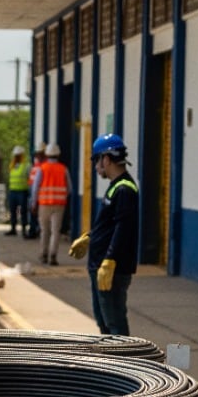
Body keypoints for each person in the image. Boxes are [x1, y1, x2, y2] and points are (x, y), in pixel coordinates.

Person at [68, 134, 139, 336]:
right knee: (104, 322)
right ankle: (111, 362)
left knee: (114, 322)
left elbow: (123, 229)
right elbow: (110, 224)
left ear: (106, 159)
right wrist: (91, 236)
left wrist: (110, 260)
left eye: (96, 160)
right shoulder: (116, 187)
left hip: (111, 268)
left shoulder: (125, 189)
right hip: (101, 266)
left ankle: (123, 363)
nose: (96, 166)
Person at [33, 143, 70, 266]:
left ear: (47, 154)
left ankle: (43, 254)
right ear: (58, 155)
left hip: (44, 204)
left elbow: (35, 188)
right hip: (59, 205)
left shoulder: (42, 168)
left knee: (45, 231)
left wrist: (33, 203)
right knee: (55, 231)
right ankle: (53, 256)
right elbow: (69, 188)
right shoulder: (63, 169)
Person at [4, 145, 30, 236]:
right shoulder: (12, 166)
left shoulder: (26, 166)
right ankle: (13, 228)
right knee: (12, 210)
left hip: (22, 191)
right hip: (12, 191)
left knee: (23, 211)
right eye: (15, 155)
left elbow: (29, 178)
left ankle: (24, 229)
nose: (16, 157)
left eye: (18, 155)